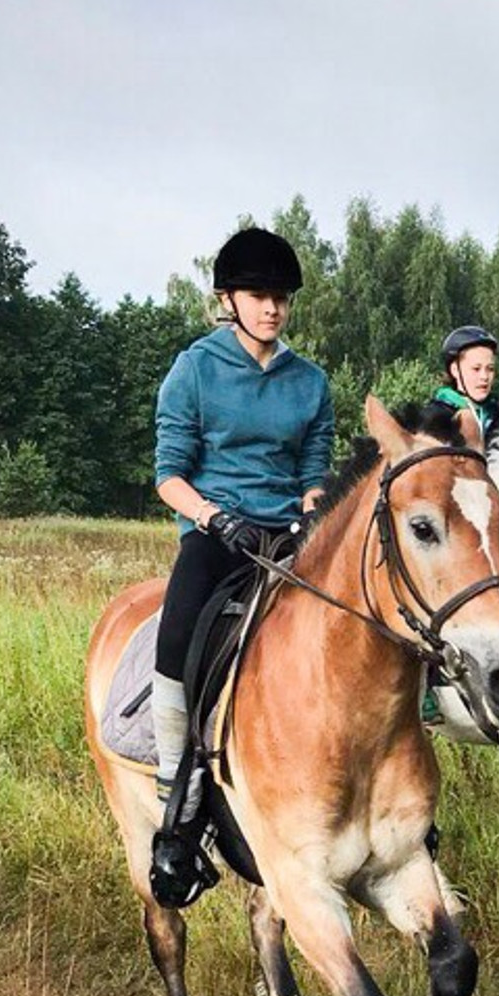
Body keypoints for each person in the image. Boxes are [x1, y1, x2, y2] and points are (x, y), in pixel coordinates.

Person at [149, 226, 335, 821]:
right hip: (217, 532)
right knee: (175, 637)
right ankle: (175, 785)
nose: (273, 307)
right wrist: (213, 517)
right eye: (259, 295)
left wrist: (312, 511)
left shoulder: (310, 382)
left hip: (287, 534)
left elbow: (314, 470)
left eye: (281, 296)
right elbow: (168, 476)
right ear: (229, 299)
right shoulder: (195, 370)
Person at [430, 325, 499, 449]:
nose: (484, 377)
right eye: (476, 369)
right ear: (455, 370)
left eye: (490, 369)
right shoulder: (433, 420)